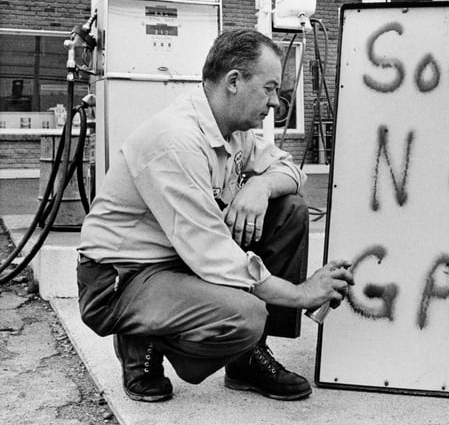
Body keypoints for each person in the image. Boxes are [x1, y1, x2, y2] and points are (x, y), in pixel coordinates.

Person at [76, 29, 353, 403]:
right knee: (246, 315)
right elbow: (214, 256)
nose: (276, 102)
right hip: (121, 278)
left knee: (289, 210)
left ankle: (246, 360)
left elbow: (290, 170)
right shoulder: (177, 140)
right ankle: (142, 336)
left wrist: (259, 188)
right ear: (234, 82)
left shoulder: (233, 130)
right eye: (269, 89)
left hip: (178, 259)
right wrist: (301, 294)